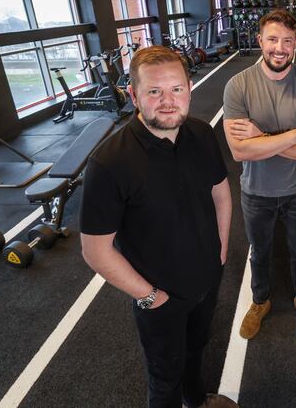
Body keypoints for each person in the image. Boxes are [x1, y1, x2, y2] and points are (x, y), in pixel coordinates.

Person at [80, 46, 233, 408]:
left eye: (176, 89)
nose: (168, 101)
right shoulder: (109, 163)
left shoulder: (201, 133)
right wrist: (150, 297)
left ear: (189, 89)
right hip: (159, 297)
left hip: (207, 279)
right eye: (154, 92)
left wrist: (221, 251)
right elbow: (95, 251)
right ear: (133, 95)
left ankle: (197, 401)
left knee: (196, 350)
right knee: (164, 379)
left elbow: (221, 192)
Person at [223, 9, 296, 340]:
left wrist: (261, 137)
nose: (279, 48)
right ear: (260, 41)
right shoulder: (237, 87)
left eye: (287, 40)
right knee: (260, 250)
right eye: (272, 39)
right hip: (256, 191)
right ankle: (260, 301)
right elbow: (240, 151)